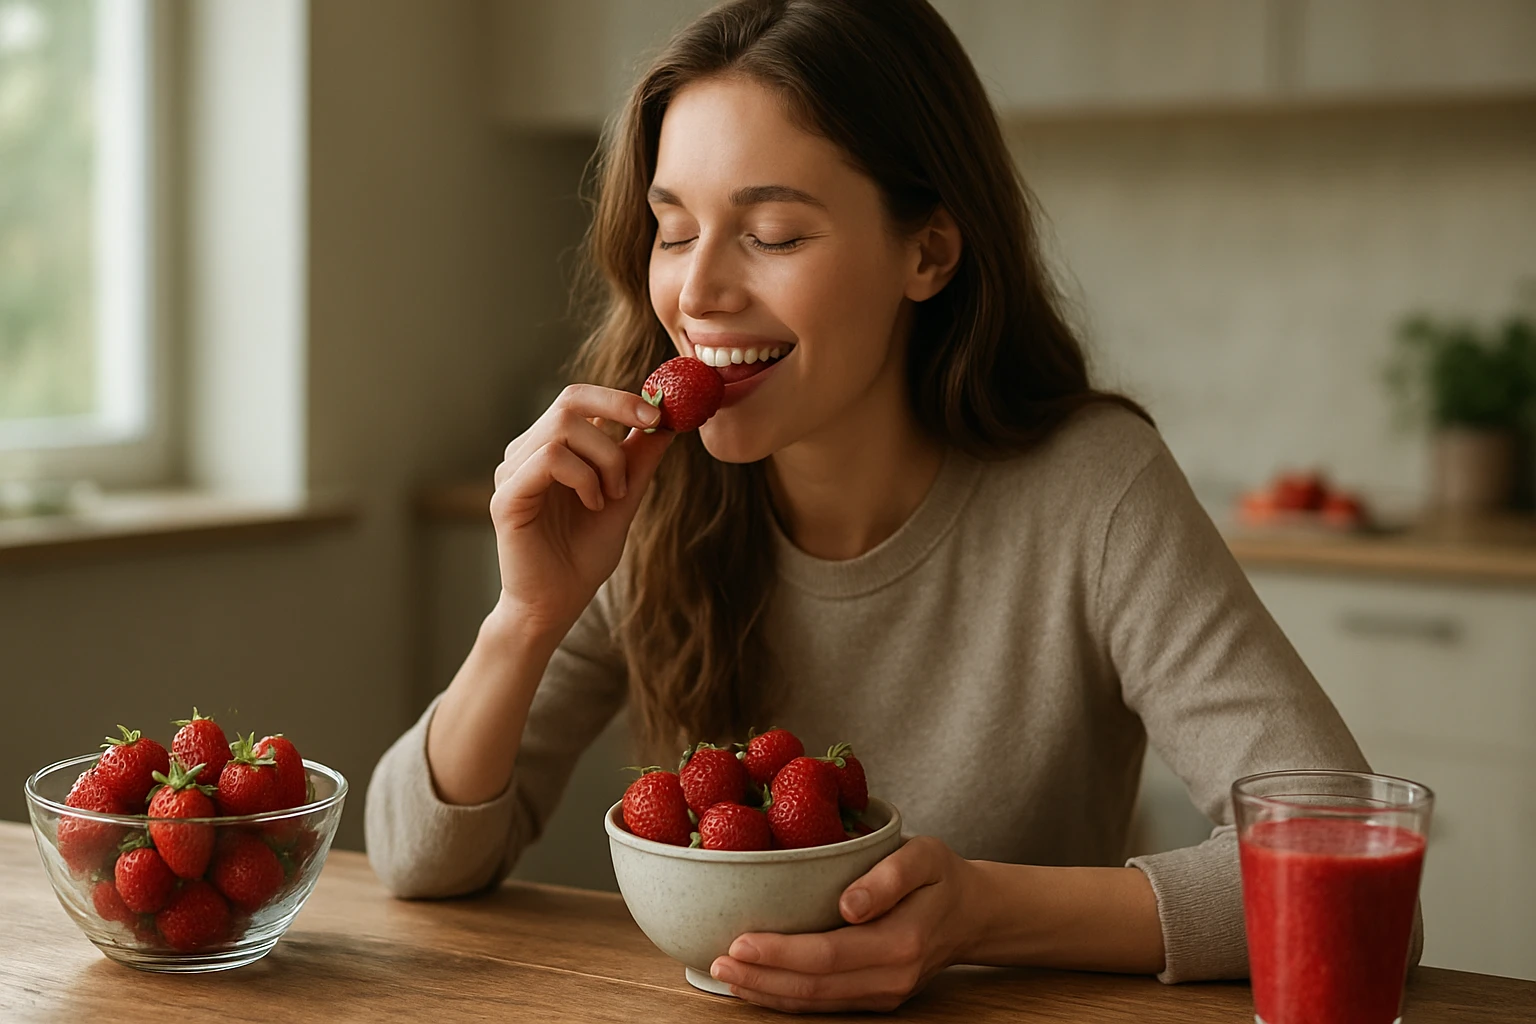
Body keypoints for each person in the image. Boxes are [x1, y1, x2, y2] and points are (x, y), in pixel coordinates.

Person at [367, 0, 1374, 1012]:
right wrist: (525, 617)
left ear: (928, 253)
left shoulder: (1095, 489)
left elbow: (1350, 881)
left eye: (770, 233)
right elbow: (415, 857)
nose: (698, 290)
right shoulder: (646, 490)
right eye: (672, 231)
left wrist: (977, 912)